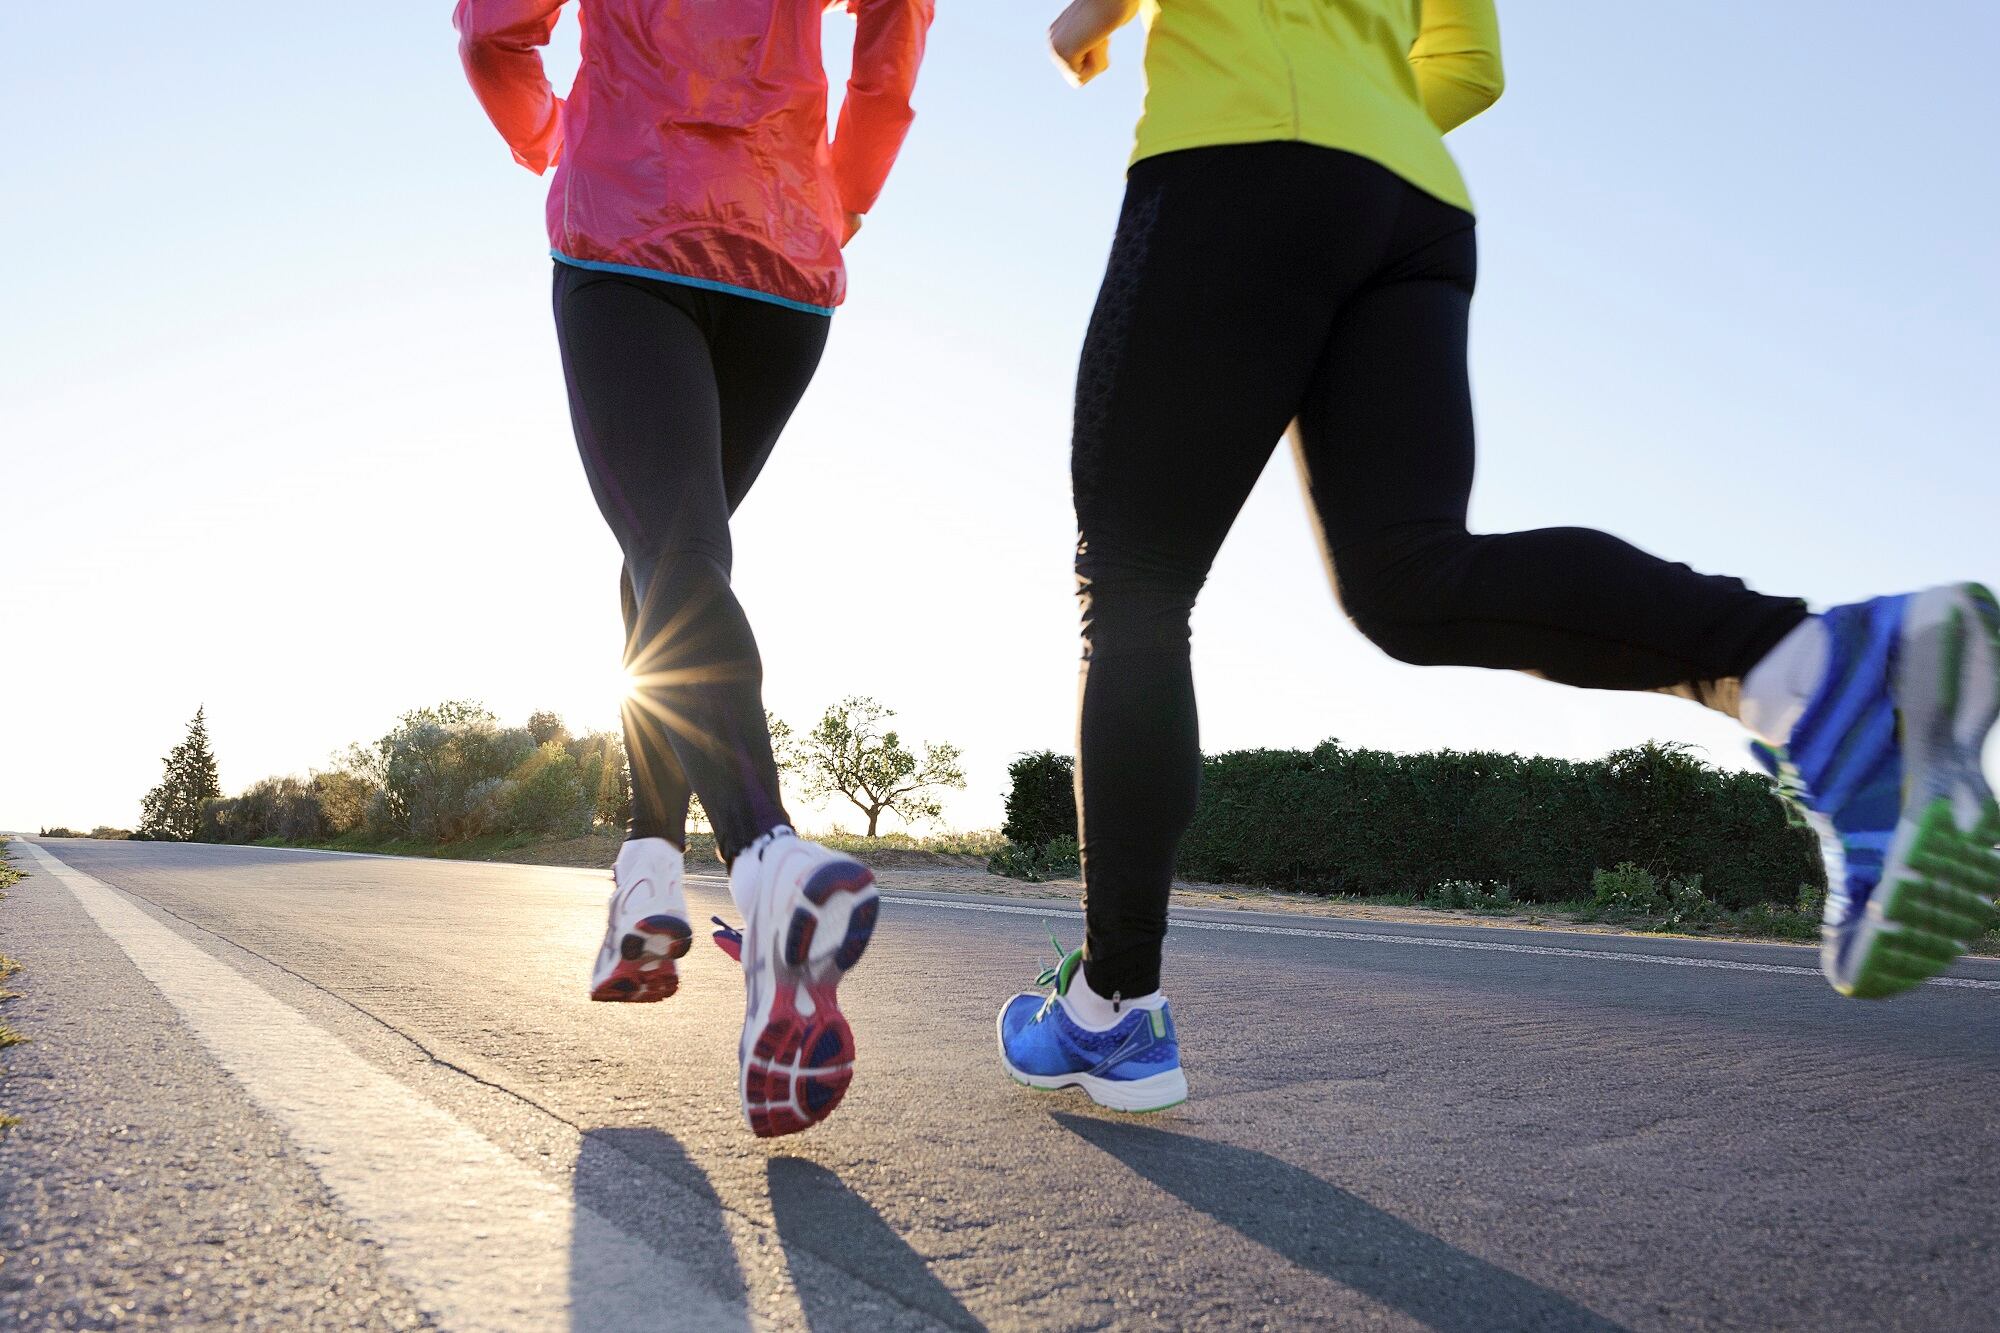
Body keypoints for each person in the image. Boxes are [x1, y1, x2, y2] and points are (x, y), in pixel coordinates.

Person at [996, 0, 2000, 1113]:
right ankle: (1814, 669)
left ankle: (1110, 1006)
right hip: (1409, 202)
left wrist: (1086, 28)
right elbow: (1470, 66)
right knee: (1407, 579)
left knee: (1133, 586)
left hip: (1233, 155)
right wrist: (1356, 117)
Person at [454, 0, 932, 1138]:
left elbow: (490, 35)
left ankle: (767, 859)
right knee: (673, 555)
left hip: (629, 226)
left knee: (673, 547)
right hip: (783, 257)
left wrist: (551, 139)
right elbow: (896, 30)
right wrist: (841, 193)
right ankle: (648, 873)